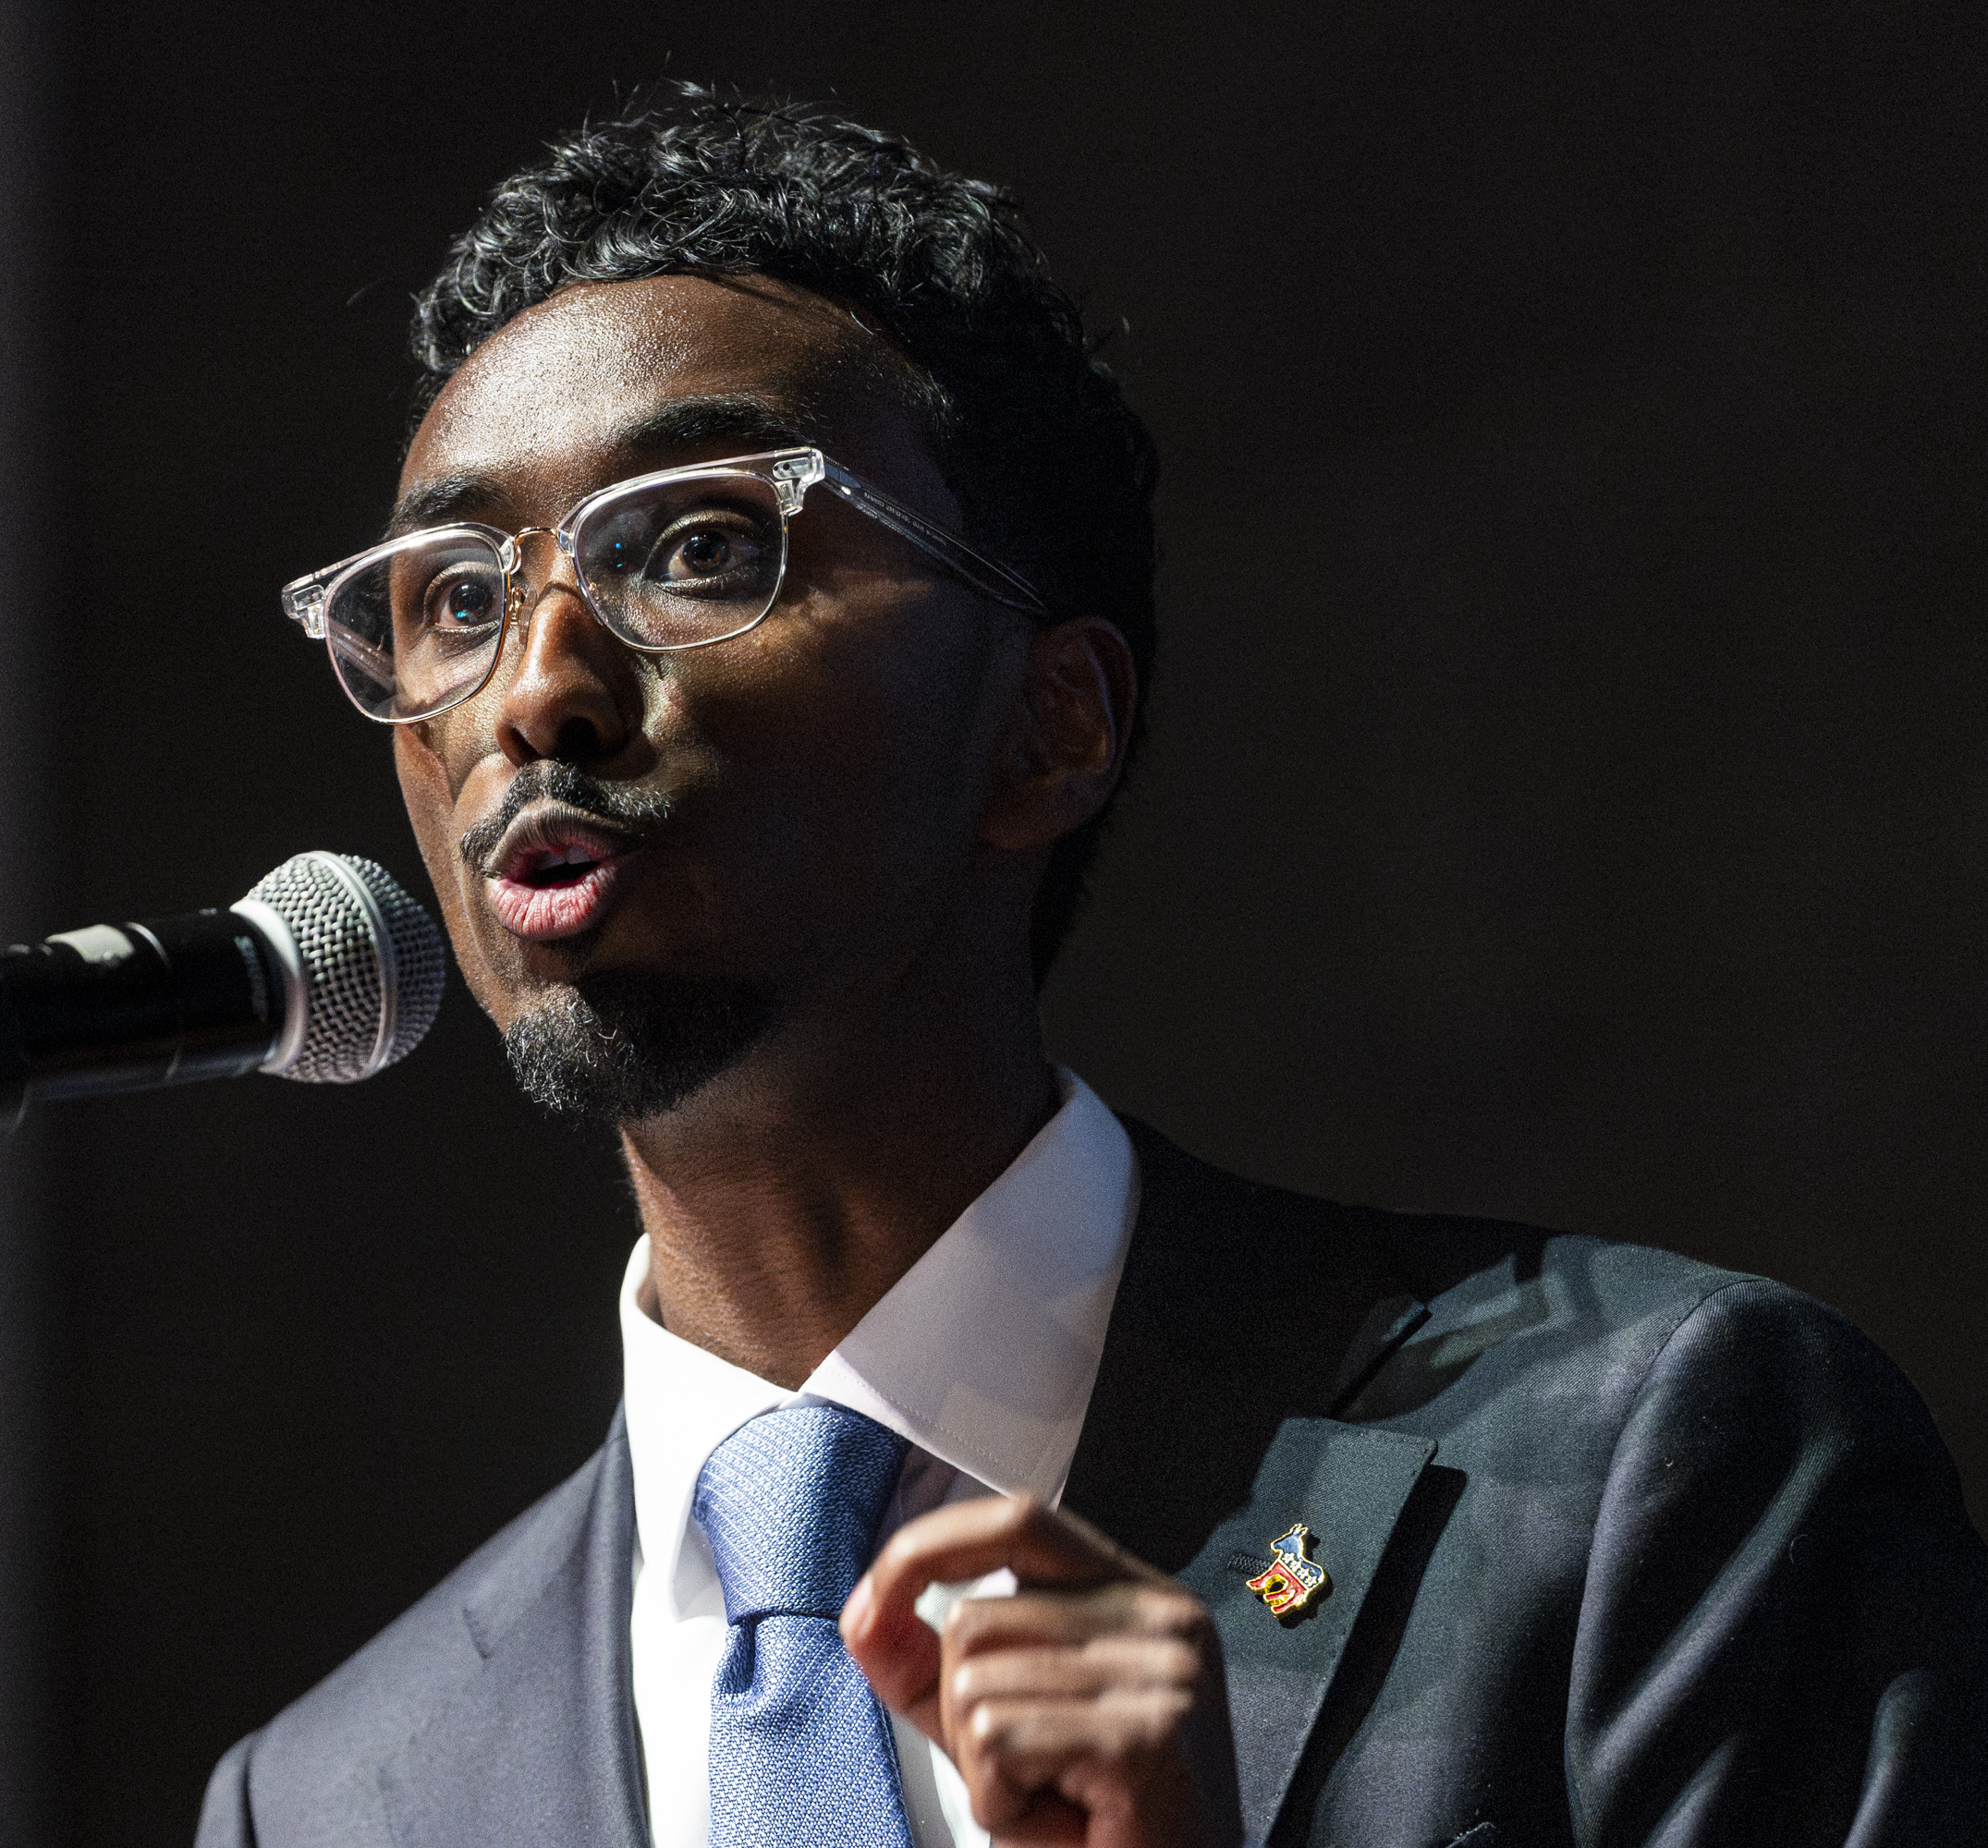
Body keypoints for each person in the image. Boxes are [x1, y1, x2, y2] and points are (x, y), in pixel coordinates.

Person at [196, 91, 1987, 1847]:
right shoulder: (332, 1799)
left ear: (1050, 726)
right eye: (454, 598)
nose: (535, 690)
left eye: (699, 548)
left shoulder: (1653, 1468)